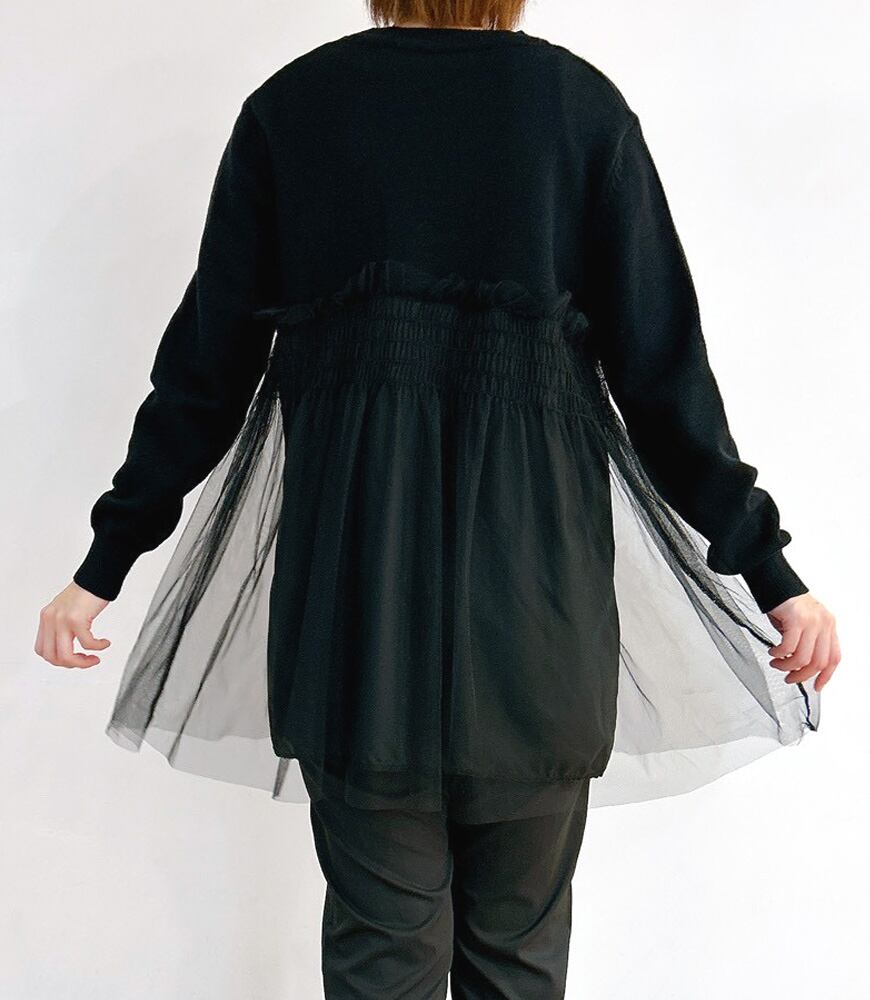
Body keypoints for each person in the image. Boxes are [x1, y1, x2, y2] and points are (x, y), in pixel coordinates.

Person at [35, 1, 840, 996]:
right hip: (538, 602)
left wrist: (103, 566)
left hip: (354, 599)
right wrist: (772, 574)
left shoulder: (295, 108)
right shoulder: (577, 108)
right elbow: (665, 378)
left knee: (381, 952)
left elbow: (206, 372)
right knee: (518, 956)